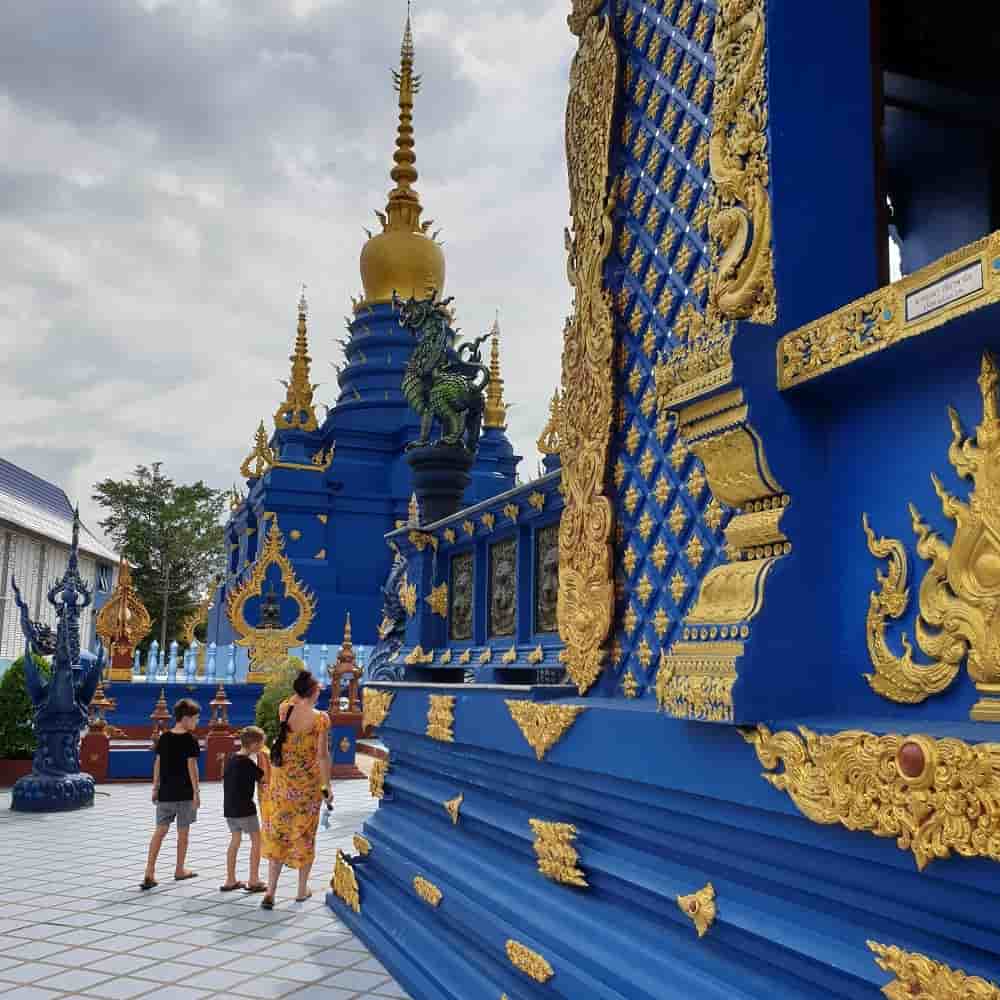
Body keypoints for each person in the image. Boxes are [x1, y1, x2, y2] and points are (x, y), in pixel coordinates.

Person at [259, 670, 332, 908]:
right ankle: (301, 890)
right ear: (313, 691)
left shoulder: (285, 709)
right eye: (318, 687)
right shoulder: (321, 718)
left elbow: (293, 701)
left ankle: (271, 890)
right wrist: (326, 785)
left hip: (282, 783)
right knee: (305, 835)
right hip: (307, 786)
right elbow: (322, 756)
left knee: (279, 832)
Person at [141, 698, 201, 890]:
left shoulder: (164, 737)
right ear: (185, 718)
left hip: (165, 793)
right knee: (183, 834)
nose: (196, 722)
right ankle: (179, 869)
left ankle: (149, 871)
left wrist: (155, 786)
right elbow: (192, 767)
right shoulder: (190, 740)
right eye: (195, 719)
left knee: (160, 831)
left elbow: (157, 763)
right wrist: (196, 792)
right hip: (184, 793)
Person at [221, 725, 267, 893]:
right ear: (254, 745)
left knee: (235, 841)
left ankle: (230, 879)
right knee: (256, 841)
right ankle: (253, 879)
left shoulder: (232, 759)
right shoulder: (247, 763)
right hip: (245, 809)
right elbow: (264, 778)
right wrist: (262, 758)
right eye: (261, 745)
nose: (262, 748)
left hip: (230, 809)